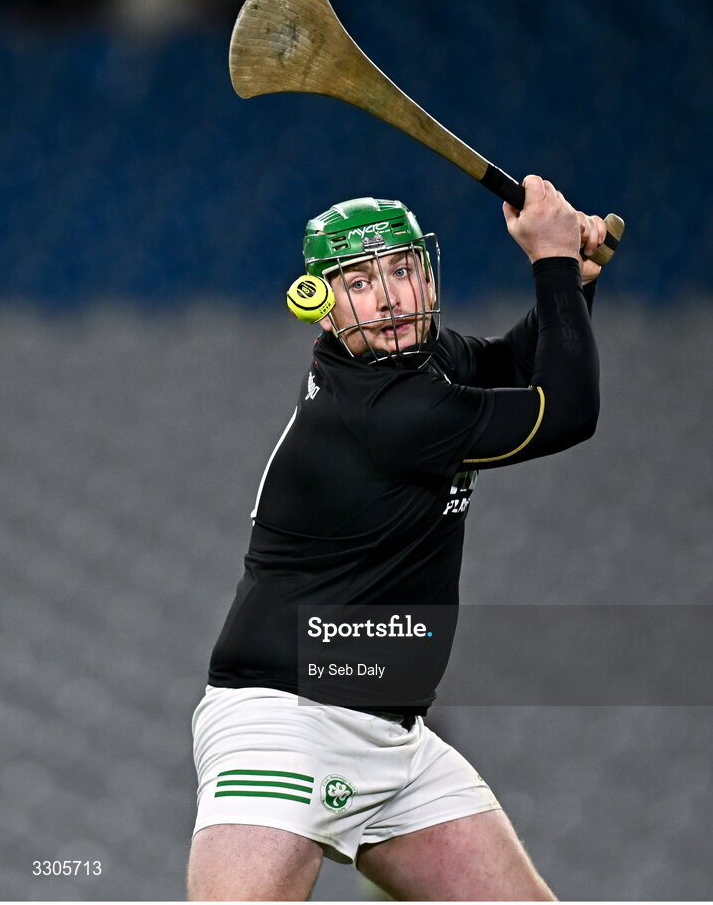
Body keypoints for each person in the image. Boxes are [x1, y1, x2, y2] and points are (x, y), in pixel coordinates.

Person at [188, 176, 606, 901]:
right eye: (357, 282)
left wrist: (570, 279)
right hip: (289, 721)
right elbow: (565, 411)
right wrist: (549, 263)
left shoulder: (419, 359)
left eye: (401, 270)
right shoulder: (389, 409)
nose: (387, 297)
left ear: (425, 273)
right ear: (318, 305)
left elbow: (515, 365)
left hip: (393, 739)